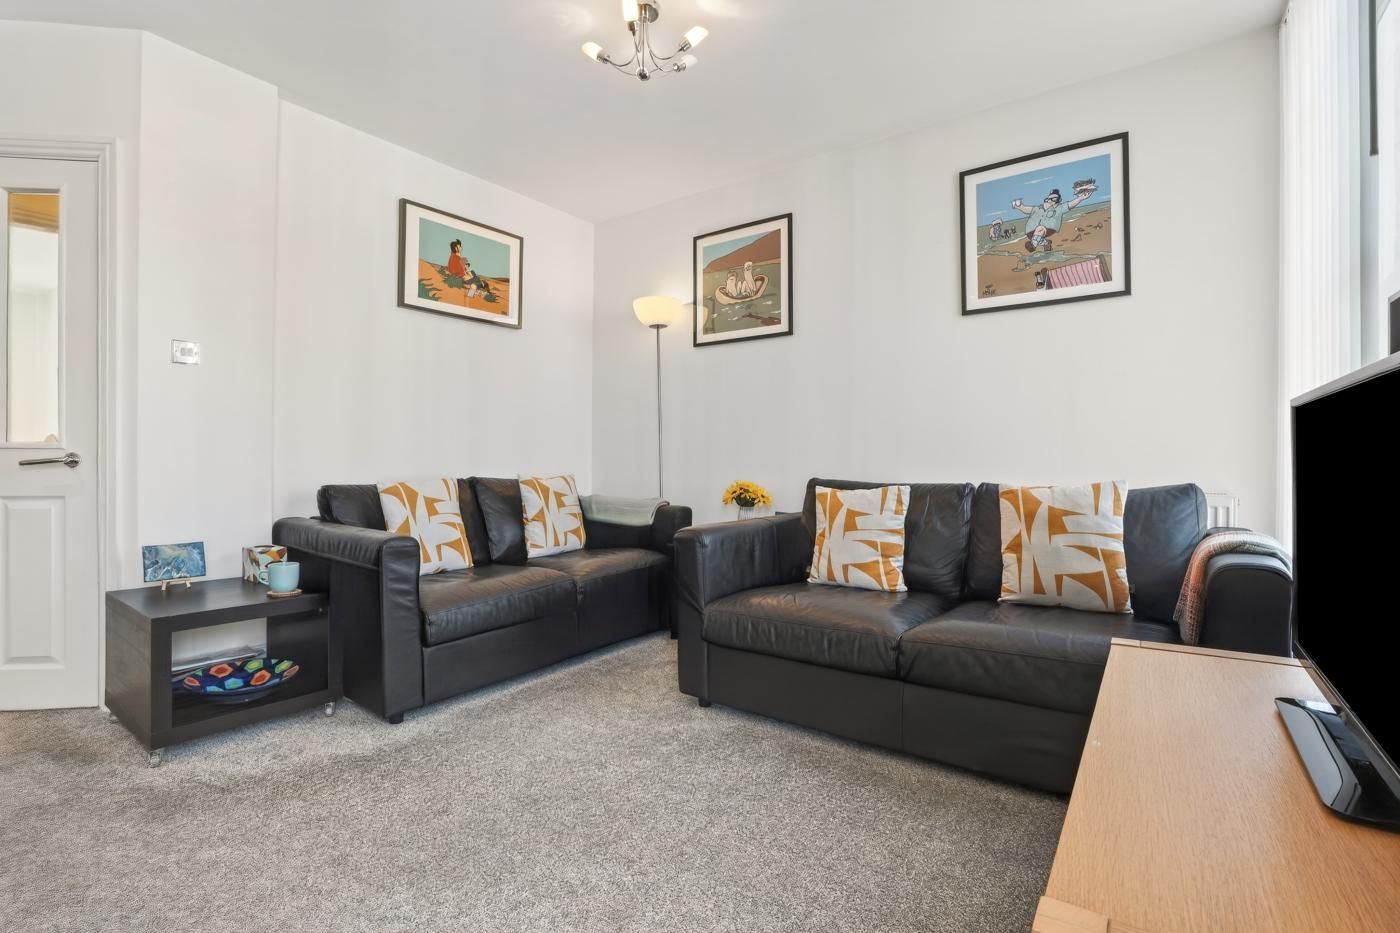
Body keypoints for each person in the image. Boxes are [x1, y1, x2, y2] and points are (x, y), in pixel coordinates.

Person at [1011, 186, 1093, 252]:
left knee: (1040, 228)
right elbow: (1026, 209)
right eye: (1048, 198)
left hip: (1048, 228)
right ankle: (1045, 243)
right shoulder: (1037, 208)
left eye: (1053, 199)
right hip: (1030, 231)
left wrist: (1080, 198)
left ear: (1058, 200)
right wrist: (1019, 206)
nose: (1049, 201)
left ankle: (1036, 244)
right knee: (1039, 229)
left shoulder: (1059, 208)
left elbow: (1070, 204)